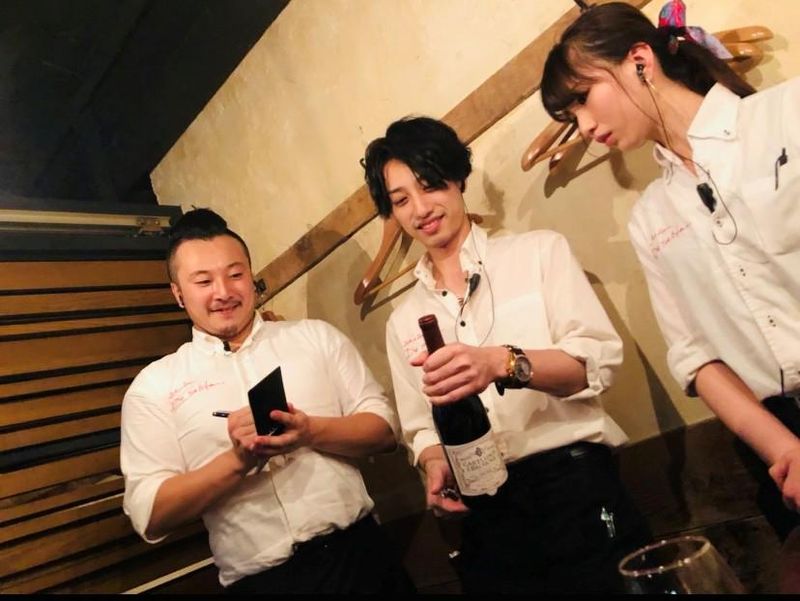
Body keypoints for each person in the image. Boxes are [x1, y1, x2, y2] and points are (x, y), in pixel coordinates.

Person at [540, 1, 800, 541]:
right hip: (777, 444)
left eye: (584, 98)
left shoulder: (785, 116)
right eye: (570, 117)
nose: (584, 126)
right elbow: (695, 356)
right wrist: (784, 449)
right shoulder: (650, 218)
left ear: (640, 60)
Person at [361, 116, 651, 593]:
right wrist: (434, 463)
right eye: (401, 200)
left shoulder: (538, 253)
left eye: (429, 184)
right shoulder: (403, 321)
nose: (420, 208)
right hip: (485, 512)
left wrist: (501, 362)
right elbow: (418, 426)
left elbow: (593, 366)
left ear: (457, 177)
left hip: (573, 484)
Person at [119, 208, 415, 593]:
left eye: (235, 274)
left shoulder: (314, 337)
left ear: (251, 275)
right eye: (203, 281)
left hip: (359, 555)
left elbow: (385, 430)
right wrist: (238, 461)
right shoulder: (155, 386)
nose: (223, 292)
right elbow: (149, 513)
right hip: (262, 583)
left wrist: (309, 431)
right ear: (178, 294)